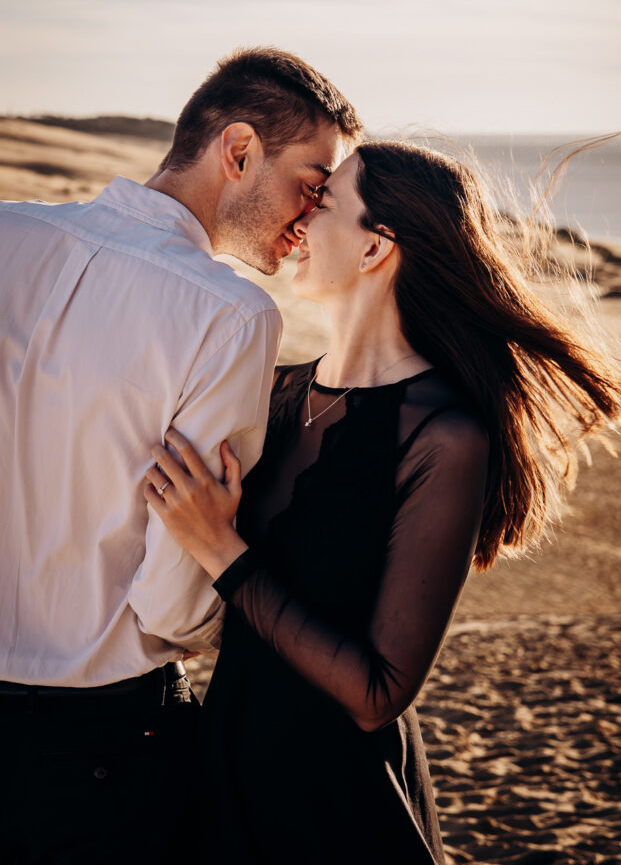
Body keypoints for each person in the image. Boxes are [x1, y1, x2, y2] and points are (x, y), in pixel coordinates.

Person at [148, 140, 621, 864]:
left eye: (323, 203)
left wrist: (223, 553)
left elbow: (377, 694)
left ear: (374, 248)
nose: (299, 220)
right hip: (225, 774)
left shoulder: (442, 437)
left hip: (335, 810)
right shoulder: (276, 390)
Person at [0, 47, 362, 864]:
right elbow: (171, 605)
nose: (312, 216)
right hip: (100, 745)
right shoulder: (230, 315)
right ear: (238, 150)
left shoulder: (7, 233)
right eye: (311, 182)